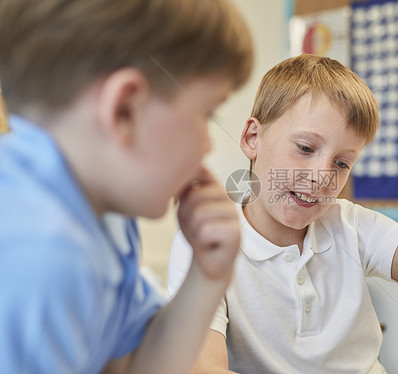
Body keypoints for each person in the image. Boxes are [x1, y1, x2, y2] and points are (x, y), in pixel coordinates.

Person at [168, 54, 398, 374]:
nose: (322, 177)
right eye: (306, 147)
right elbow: (201, 367)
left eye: (342, 163)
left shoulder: (351, 224)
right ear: (252, 139)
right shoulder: (206, 241)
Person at [0, 0, 253, 372]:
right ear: (124, 109)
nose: (208, 144)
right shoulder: (42, 253)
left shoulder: (104, 214)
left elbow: (137, 365)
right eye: (206, 114)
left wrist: (207, 274)